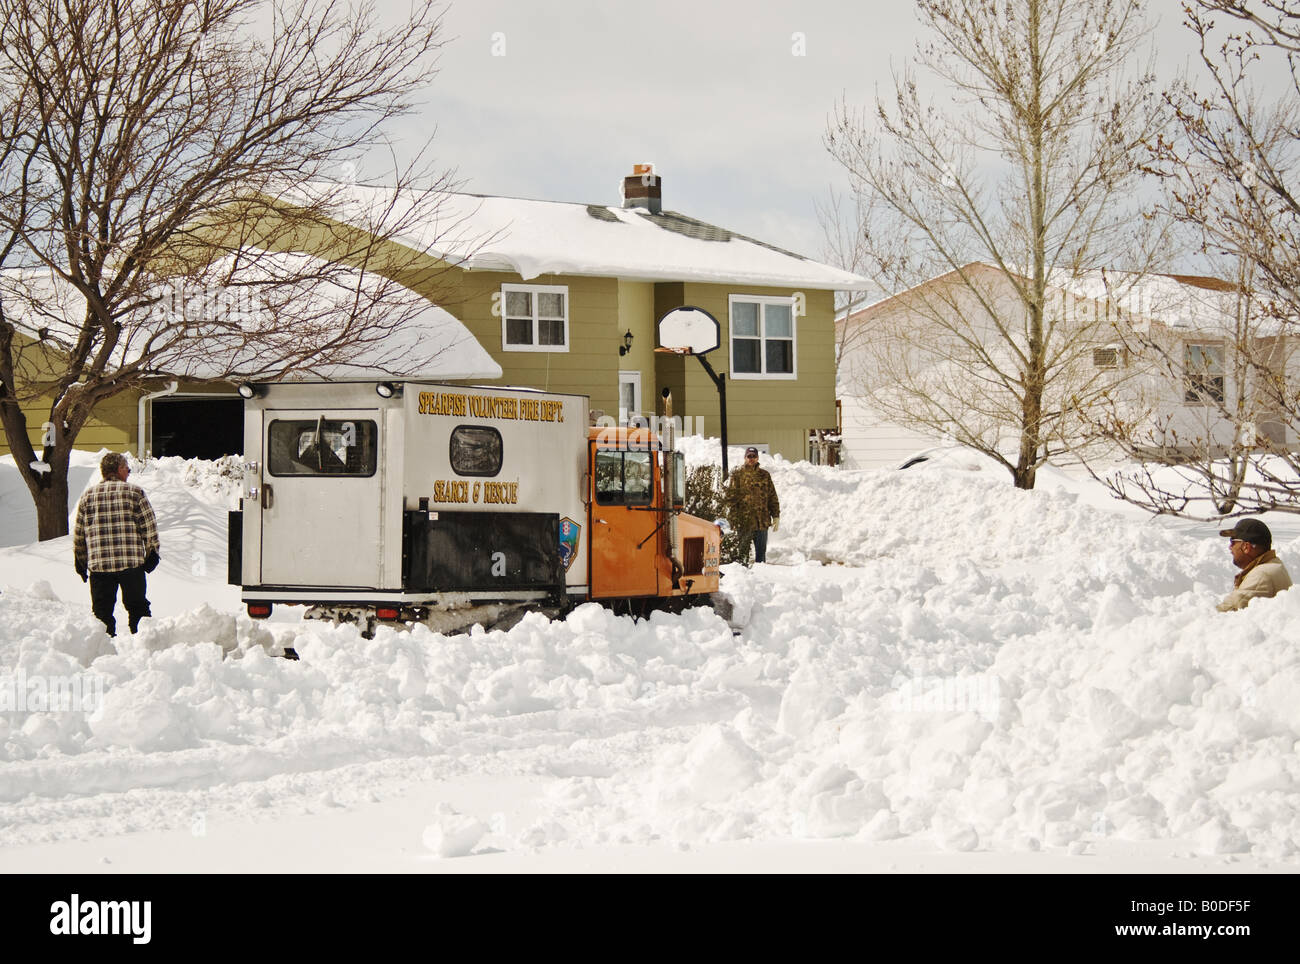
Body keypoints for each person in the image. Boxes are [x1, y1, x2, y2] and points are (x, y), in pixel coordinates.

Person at [73, 452, 161, 636]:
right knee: (138, 609)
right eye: (126, 468)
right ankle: (144, 645)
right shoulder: (135, 493)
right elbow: (149, 527)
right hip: (131, 565)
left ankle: (102, 650)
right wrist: (152, 553)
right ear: (118, 470)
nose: (128, 472)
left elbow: (80, 534)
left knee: (101, 614)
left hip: (100, 567)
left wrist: (80, 561)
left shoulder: (87, 497)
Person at [1216, 518, 1291, 612]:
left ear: (1246, 547)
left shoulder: (1261, 575)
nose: (1230, 547)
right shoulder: (1272, 564)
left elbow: (1226, 610)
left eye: (1233, 542)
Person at [727, 446, 780, 565]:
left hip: (761, 522)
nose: (751, 459)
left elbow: (772, 497)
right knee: (743, 556)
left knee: (761, 557)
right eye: (749, 456)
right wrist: (733, 519)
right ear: (745, 458)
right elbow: (732, 499)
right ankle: (743, 580)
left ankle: (760, 581)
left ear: (757, 458)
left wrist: (776, 515)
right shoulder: (737, 475)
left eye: (754, 456)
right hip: (744, 523)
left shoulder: (765, 475)